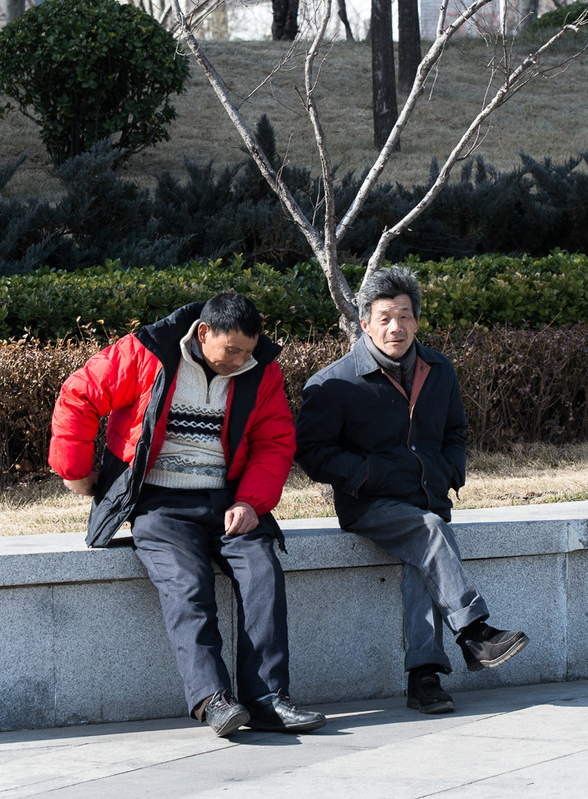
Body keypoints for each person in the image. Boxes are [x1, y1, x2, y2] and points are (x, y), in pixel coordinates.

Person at [49, 293, 325, 737]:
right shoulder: (145, 352)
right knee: (187, 584)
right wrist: (76, 472)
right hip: (160, 504)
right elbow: (78, 395)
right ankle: (212, 701)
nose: (239, 361)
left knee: (262, 573)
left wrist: (250, 503)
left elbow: (275, 441)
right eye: (231, 350)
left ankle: (270, 700)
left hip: (228, 501)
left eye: (248, 352)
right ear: (203, 333)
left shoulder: (261, 370)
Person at [295, 266, 528, 715]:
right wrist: (365, 474)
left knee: (426, 546)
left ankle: (424, 679)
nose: (394, 327)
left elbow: (456, 431)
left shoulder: (438, 369)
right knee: (430, 530)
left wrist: (449, 471)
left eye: (404, 316)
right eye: (384, 317)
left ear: (417, 320)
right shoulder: (334, 383)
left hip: (427, 500)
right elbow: (312, 453)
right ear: (364, 322)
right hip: (370, 505)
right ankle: (475, 632)